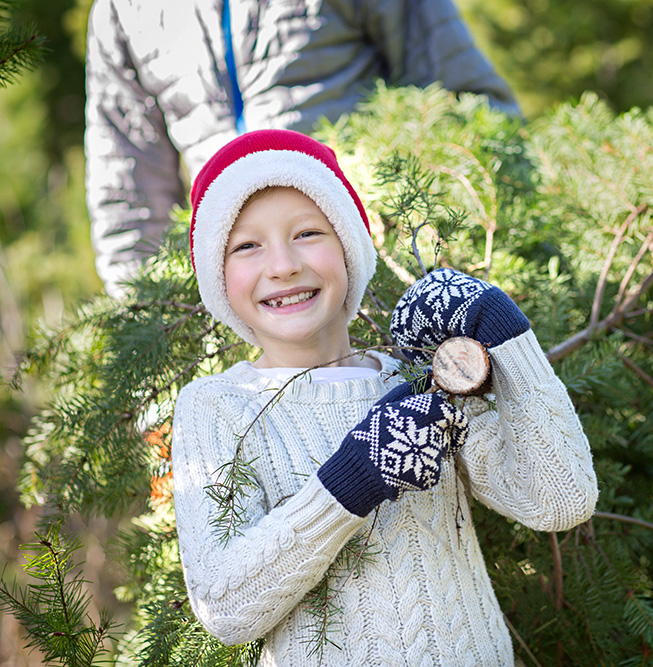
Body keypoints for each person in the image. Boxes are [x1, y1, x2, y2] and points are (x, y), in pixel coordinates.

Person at [171, 128, 598, 665]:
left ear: (349, 249)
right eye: (247, 246)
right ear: (219, 277)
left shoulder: (416, 382)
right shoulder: (214, 408)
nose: (281, 264)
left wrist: (506, 335)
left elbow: (562, 499)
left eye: (307, 233)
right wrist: (352, 480)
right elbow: (225, 607)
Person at [84, 0, 519, 297]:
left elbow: (466, 102)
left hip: (387, 271)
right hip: (243, 302)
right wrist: (146, 331)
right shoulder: (123, 11)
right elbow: (129, 197)